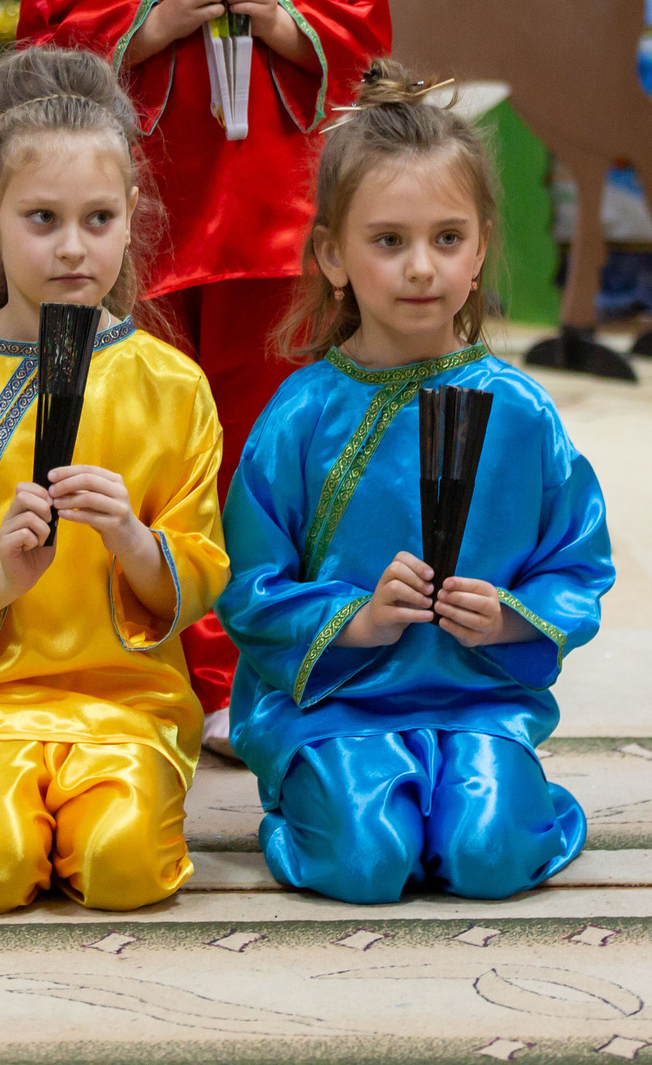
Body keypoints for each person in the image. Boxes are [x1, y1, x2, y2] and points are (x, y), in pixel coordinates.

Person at [17, 0, 391, 722]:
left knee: (273, 454)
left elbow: (367, 29)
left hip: (275, 229)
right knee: (144, 446)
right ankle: (146, 650)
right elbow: (37, 51)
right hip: (146, 236)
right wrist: (147, 23)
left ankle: (261, 666)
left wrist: (285, 22)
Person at [216, 63, 613, 904]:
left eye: (447, 238)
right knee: (366, 863)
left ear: (479, 249)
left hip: (477, 703)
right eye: (388, 240)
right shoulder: (299, 416)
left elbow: (579, 563)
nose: (421, 267)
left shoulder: (522, 413)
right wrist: (352, 619)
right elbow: (246, 588)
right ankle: (308, 804)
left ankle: (513, 802)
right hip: (339, 706)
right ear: (332, 253)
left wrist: (511, 615)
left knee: (487, 859)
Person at [0, 48, 228, 913]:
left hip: (123, 700)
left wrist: (132, 540)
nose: (74, 247)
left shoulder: (173, 388)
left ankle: (86, 819)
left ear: (130, 213)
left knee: (124, 871)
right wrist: (2, 575)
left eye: (99, 218)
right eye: (42, 218)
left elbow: (200, 571)